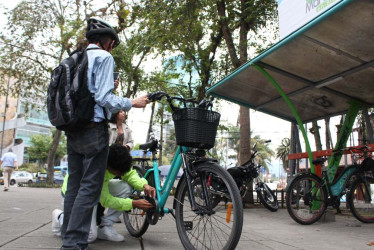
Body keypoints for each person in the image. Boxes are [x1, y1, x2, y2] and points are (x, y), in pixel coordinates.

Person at [61, 17, 150, 250]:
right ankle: (72, 245)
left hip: (73, 131)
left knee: (74, 187)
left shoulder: (74, 59)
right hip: (93, 131)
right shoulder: (104, 57)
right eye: (113, 42)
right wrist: (133, 102)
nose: (112, 47)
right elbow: (103, 98)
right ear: (108, 41)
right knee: (90, 188)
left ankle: (67, 237)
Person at [53, 144, 155, 242]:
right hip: (78, 196)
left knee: (124, 186)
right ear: (108, 166)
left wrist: (144, 185)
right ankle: (60, 216)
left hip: (97, 191)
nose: (122, 174)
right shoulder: (95, 170)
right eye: (119, 173)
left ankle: (105, 226)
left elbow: (129, 174)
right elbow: (106, 200)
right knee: (89, 236)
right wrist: (133, 203)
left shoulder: (113, 157)